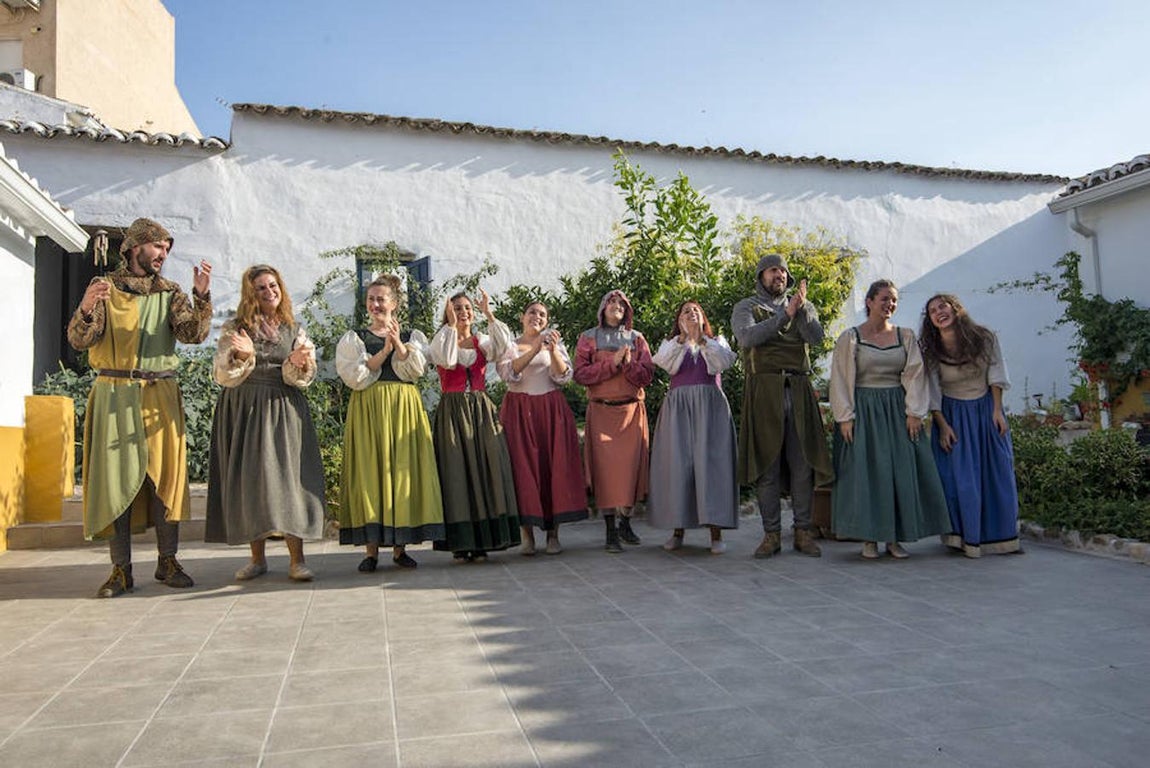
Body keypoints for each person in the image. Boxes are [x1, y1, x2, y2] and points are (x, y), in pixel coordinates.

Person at [66, 217, 211, 597]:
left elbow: (191, 335)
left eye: (166, 248)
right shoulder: (105, 289)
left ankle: (168, 561)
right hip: (114, 393)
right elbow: (80, 340)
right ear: (133, 247)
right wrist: (84, 308)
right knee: (117, 480)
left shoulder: (171, 293)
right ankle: (120, 570)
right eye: (157, 246)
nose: (163, 254)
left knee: (165, 477)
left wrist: (202, 298)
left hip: (160, 393)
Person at [205, 265, 325, 581]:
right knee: (250, 482)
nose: (270, 291)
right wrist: (243, 356)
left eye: (273, 285)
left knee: (289, 482)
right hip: (244, 408)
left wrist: (297, 363)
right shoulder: (235, 328)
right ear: (250, 294)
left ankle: (297, 560)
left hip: (283, 408)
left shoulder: (294, 329)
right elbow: (222, 375)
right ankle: (257, 559)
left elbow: (303, 377)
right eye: (261, 288)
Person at [829, 280, 950, 559]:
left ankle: (895, 539)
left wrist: (914, 413)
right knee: (868, 473)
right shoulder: (850, 338)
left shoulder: (905, 336)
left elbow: (915, 375)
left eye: (894, 300)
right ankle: (869, 538)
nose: (890, 305)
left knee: (899, 472)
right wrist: (845, 417)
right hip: (865, 410)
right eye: (884, 299)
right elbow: (841, 379)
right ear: (869, 302)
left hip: (898, 410)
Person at [336, 274, 445, 570]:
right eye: (371, 299)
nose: (375, 304)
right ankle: (370, 551)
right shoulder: (355, 337)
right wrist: (384, 349)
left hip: (403, 406)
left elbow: (414, 370)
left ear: (394, 303)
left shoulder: (412, 336)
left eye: (381, 299)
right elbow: (357, 376)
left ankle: (400, 549)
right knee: (371, 473)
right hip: (369, 406)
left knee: (401, 472)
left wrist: (398, 344)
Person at [731, 253, 833, 558]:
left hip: (798, 388)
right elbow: (748, 338)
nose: (781, 276)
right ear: (762, 275)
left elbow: (815, 337)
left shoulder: (803, 306)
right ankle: (771, 534)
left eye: (784, 272)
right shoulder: (747, 307)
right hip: (765, 390)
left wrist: (801, 311)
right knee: (768, 466)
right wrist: (784, 315)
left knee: (803, 465)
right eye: (774, 270)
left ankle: (802, 531)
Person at [920, 294, 1022, 557]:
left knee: (996, 474)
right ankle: (963, 537)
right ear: (930, 320)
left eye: (943, 306)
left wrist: (997, 410)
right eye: (932, 310)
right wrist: (942, 426)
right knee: (960, 481)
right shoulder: (931, 349)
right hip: (952, 414)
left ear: (955, 309)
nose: (939, 312)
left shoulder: (984, 337)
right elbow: (932, 389)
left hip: (985, 409)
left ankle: (1000, 538)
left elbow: (996, 372)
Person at [428, 290, 521, 561]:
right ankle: (461, 541)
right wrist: (449, 326)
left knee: (487, 466)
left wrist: (489, 313)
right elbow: (445, 360)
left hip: (481, 409)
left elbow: (504, 347)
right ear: (448, 311)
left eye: (467, 308)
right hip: (453, 410)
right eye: (457, 308)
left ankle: (485, 540)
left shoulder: (482, 341)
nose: (464, 312)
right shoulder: (442, 339)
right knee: (457, 471)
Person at [497, 301, 588, 554]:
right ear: (522, 317)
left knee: (553, 468)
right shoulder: (511, 345)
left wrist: (553, 350)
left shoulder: (554, 345)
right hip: (518, 411)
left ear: (547, 321)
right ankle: (527, 535)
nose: (536, 317)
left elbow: (563, 376)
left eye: (542, 315)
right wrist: (536, 347)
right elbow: (509, 373)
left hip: (550, 410)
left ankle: (553, 536)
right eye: (532, 313)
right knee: (523, 470)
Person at [649, 301, 739, 554]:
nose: (691, 313)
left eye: (696, 310)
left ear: (704, 317)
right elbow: (665, 364)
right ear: (678, 319)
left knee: (712, 467)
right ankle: (678, 531)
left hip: (710, 409)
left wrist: (701, 339)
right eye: (686, 311)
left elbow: (722, 363)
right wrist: (683, 339)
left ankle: (716, 533)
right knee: (679, 466)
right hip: (678, 408)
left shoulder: (716, 341)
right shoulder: (671, 345)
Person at [574, 289, 654, 553]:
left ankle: (626, 522)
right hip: (602, 412)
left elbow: (647, 375)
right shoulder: (587, 338)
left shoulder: (637, 338)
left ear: (627, 309)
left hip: (631, 414)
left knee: (631, 471)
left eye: (621, 303)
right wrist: (611, 363)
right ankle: (610, 530)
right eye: (611, 301)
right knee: (605, 474)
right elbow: (581, 374)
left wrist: (628, 363)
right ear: (602, 308)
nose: (616, 305)